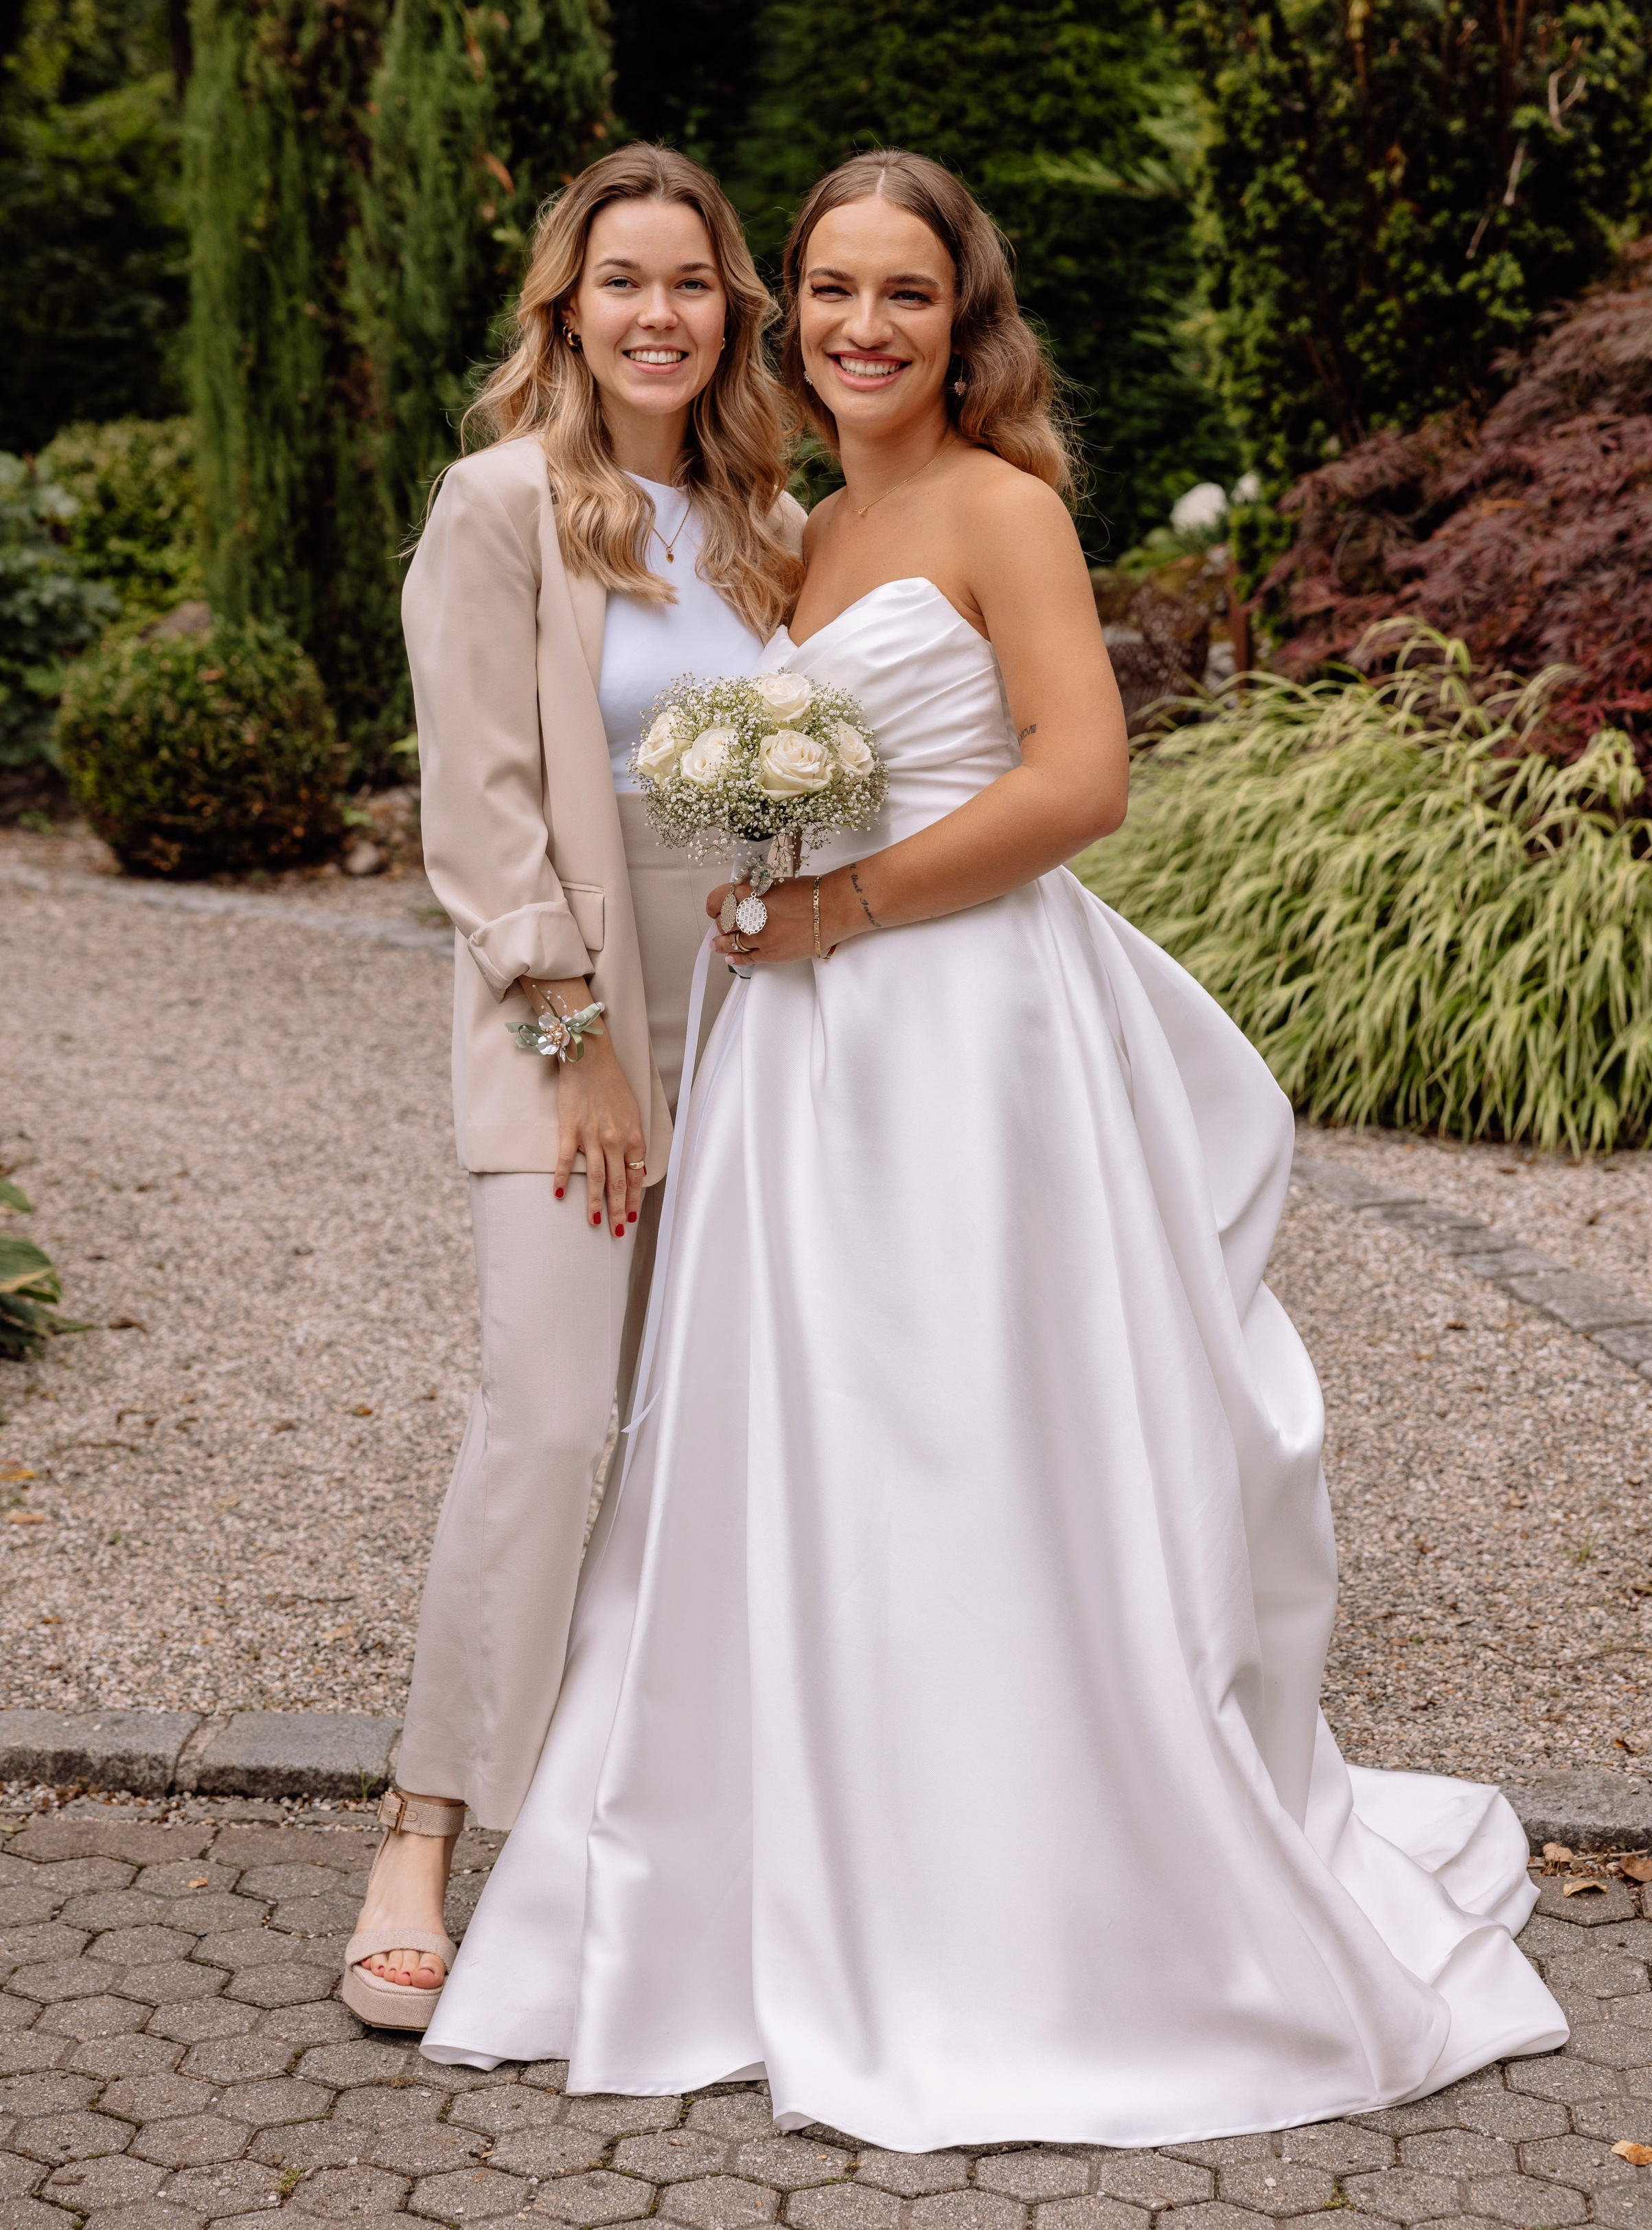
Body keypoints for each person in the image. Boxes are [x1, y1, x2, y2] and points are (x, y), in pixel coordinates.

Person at [422, 150, 1565, 2143]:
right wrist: (700, 952)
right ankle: (753, 1852)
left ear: (966, 322)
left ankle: (1016, 1891)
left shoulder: (986, 507)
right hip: (782, 1047)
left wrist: (842, 909)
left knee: (974, 1432)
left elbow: (1084, 779)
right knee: (797, 1441)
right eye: (838, 292)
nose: (866, 328)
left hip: (950, 1035)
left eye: (908, 298)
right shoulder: (796, 520)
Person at [342, 144, 804, 2032]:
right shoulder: (502, 504)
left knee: (712, 1447)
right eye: (623, 281)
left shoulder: (772, 514)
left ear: (731, 308)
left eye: (690, 282)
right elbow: (481, 811)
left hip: (764, 1033)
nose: (659, 314)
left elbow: (804, 775)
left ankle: (654, 1845)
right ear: (567, 308)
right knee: (547, 1423)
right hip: (572, 1041)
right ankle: (419, 1830)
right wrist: (581, 1038)